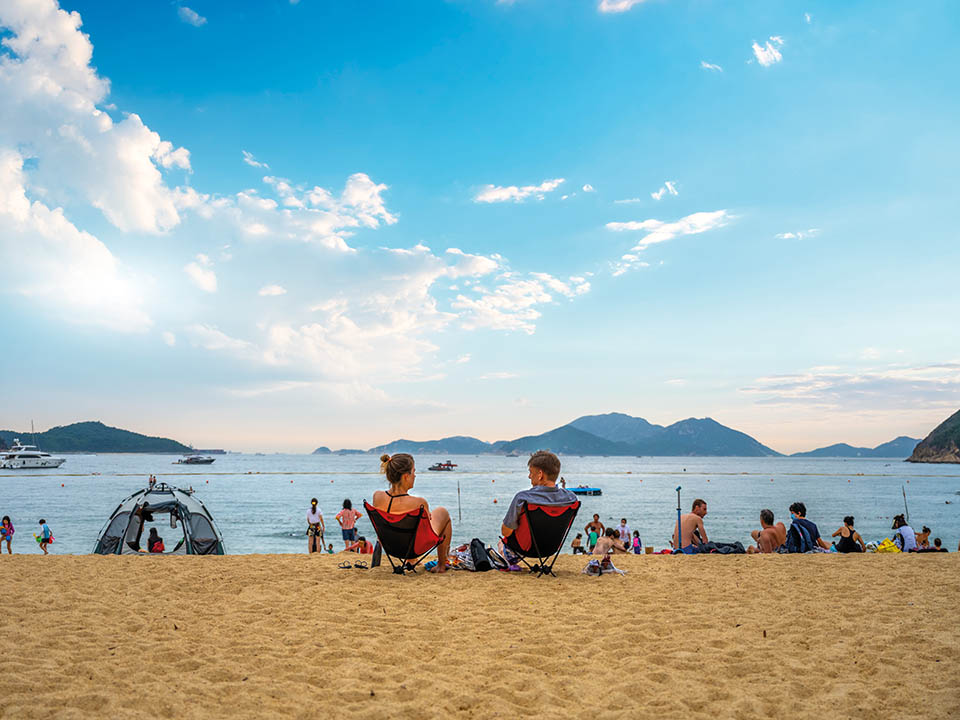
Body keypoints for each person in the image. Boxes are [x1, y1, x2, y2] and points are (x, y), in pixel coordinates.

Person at [371, 453, 452, 573]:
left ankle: (412, 560)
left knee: (406, 525)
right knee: (442, 512)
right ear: (405, 476)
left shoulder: (377, 496)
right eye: (413, 472)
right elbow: (426, 530)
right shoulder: (419, 503)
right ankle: (441, 565)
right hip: (414, 548)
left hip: (391, 547)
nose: (415, 476)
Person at [501, 450, 578, 543]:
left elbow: (506, 532)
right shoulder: (571, 498)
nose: (529, 476)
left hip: (526, 548)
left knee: (501, 542)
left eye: (531, 472)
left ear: (540, 474)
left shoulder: (522, 498)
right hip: (552, 547)